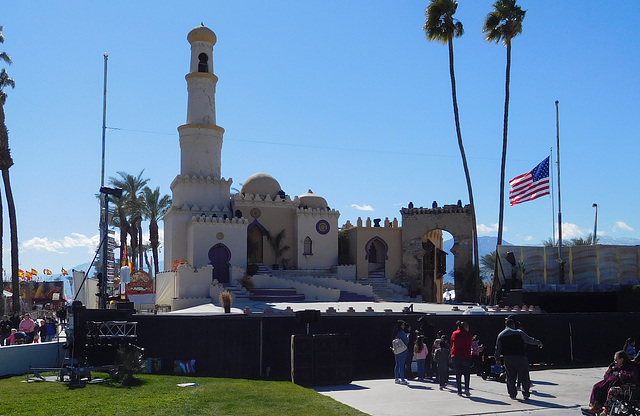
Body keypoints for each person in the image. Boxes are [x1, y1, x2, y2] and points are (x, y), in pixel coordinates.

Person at [495, 317, 543, 400]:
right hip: (521, 357)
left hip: (508, 358)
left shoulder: (501, 335)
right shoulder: (519, 332)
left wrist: (497, 358)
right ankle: (526, 394)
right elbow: (529, 340)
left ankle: (512, 394)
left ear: (505, 325)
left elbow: (498, 348)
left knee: (510, 377)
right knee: (524, 376)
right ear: (513, 324)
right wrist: (538, 342)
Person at [582, 350, 638, 415]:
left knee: (612, 390)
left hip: (630, 388)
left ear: (622, 359)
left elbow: (632, 377)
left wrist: (620, 374)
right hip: (614, 384)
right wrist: (609, 368)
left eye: (616, 359)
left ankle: (607, 410)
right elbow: (606, 377)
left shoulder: (631, 366)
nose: (615, 361)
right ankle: (595, 408)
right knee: (597, 386)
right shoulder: (617, 366)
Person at [451, 320, 473, 396]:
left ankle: (459, 390)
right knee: (466, 374)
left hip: (456, 355)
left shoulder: (454, 333)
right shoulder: (468, 335)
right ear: (466, 327)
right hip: (465, 356)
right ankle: (466, 388)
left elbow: (452, 343)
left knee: (458, 374)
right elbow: (470, 344)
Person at [392, 320, 410, 385]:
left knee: (397, 364)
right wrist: (407, 337)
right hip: (402, 350)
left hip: (396, 349)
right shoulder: (402, 332)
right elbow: (407, 341)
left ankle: (396, 378)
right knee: (402, 365)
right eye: (403, 325)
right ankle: (402, 379)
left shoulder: (396, 332)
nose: (404, 326)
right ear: (401, 325)